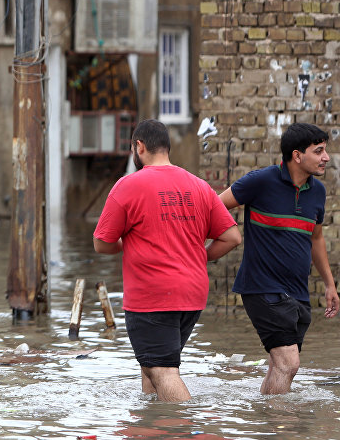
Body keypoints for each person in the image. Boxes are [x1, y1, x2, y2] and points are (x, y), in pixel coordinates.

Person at [93, 119, 241, 402]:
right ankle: (156, 422)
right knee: (151, 366)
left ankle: (185, 421)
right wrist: (199, 256)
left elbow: (102, 243)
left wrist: (127, 244)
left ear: (139, 146)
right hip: (192, 295)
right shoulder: (199, 186)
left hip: (153, 295)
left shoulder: (128, 185)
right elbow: (232, 237)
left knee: (161, 370)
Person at [219, 122, 338, 395]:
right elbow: (213, 206)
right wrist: (213, 246)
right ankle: (283, 419)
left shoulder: (318, 192)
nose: (326, 157)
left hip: (297, 292)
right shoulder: (260, 181)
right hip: (261, 288)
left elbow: (316, 238)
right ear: (297, 156)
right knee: (288, 362)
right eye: (318, 151)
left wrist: (330, 285)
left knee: (279, 366)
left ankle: (268, 416)